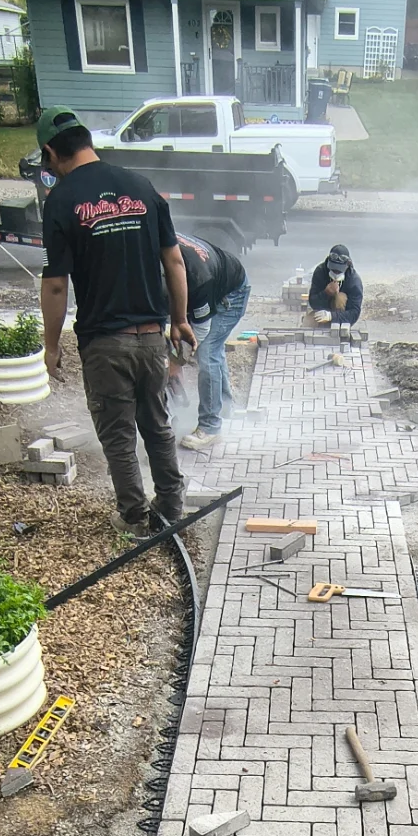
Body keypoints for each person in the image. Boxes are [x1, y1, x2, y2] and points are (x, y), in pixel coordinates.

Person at [37, 106, 196, 532]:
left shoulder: (61, 200)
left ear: (51, 153)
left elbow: (55, 285)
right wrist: (179, 320)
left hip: (105, 343)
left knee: (119, 436)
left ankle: (135, 518)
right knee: (157, 424)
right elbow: (175, 261)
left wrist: (51, 347)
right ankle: (171, 506)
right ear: (88, 142)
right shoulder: (141, 187)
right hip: (150, 339)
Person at [176, 231, 249, 451]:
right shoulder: (164, 242)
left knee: (207, 352)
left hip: (232, 295)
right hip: (220, 282)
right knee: (213, 352)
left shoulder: (198, 277)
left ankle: (210, 427)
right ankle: (225, 406)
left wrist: (175, 362)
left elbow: (200, 331)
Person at [306, 243, 362, 327]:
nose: (335, 272)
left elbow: (354, 314)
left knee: (340, 297)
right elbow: (312, 302)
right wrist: (326, 293)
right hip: (321, 310)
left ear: (347, 265)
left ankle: (337, 330)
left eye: (339, 271)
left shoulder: (354, 281)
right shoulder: (320, 271)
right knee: (308, 324)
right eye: (333, 269)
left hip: (341, 315)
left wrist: (331, 316)